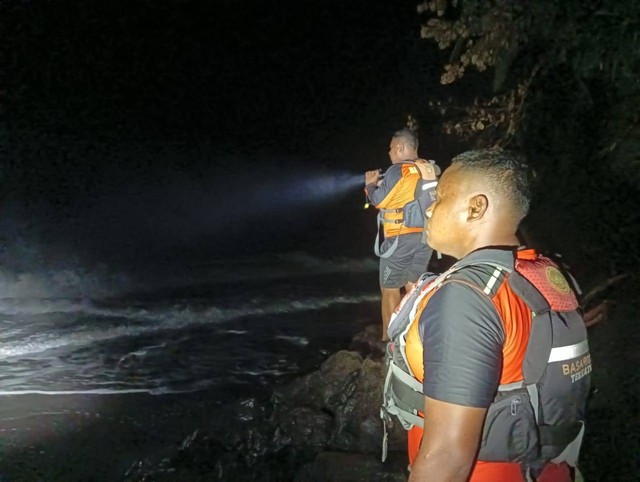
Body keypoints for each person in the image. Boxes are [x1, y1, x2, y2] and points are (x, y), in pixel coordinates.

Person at [402, 149, 590, 481]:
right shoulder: (546, 274)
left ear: (476, 208)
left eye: (441, 197)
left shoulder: (467, 297)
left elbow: (447, 456)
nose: (429, 208)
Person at [364, 128, 438, 341]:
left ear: (400, 147)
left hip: (399, 238)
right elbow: (408, 193)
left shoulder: (397, 170)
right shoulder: (429, 167)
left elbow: (378, 201)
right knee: (413, 286)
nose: (389, 153)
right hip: (425, 238)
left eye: (390, 149)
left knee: (389, 287)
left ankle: (389, 342)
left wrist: (369, 185)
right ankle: (416, 335)